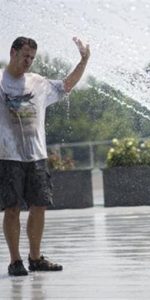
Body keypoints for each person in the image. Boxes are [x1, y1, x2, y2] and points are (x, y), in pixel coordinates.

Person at [0, 36, 90, 276]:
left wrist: (84, 60)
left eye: (32, 58)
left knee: (39, 206)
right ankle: (15, 260)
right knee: (11, 209)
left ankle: (36, 257)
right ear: (13, 52)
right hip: (7, 157)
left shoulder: (37, 83)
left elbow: (67, 85)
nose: (28, 61)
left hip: (36, 157)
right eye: (25, 56)